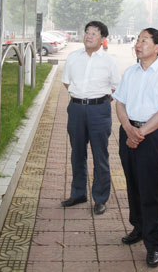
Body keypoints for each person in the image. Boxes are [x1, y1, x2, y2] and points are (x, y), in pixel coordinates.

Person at [113, 28, 158, 268]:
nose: (138, 44)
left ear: (157, 47)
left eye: (144, 40)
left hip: (151, 136)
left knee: (151, 189)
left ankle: (153, 244)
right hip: (128, 132)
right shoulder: (130, 72)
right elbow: (120, 103)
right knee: (132, 183)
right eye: (137, 40)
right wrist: (128, 129)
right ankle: (139, 228)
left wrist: (139, 133)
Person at [60, 21, 120, 215]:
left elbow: (116, 87)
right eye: (87, 32)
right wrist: (80, 96)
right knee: (77, 153)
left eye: (94, 33)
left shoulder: (109, 61)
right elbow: (66, 82)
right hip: (76, 109)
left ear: (103, 39)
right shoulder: (73, 57)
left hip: (99, 110)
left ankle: (100, 198)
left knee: (100, 155)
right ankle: (78, 193)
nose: (89, 36)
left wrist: (99, 101)